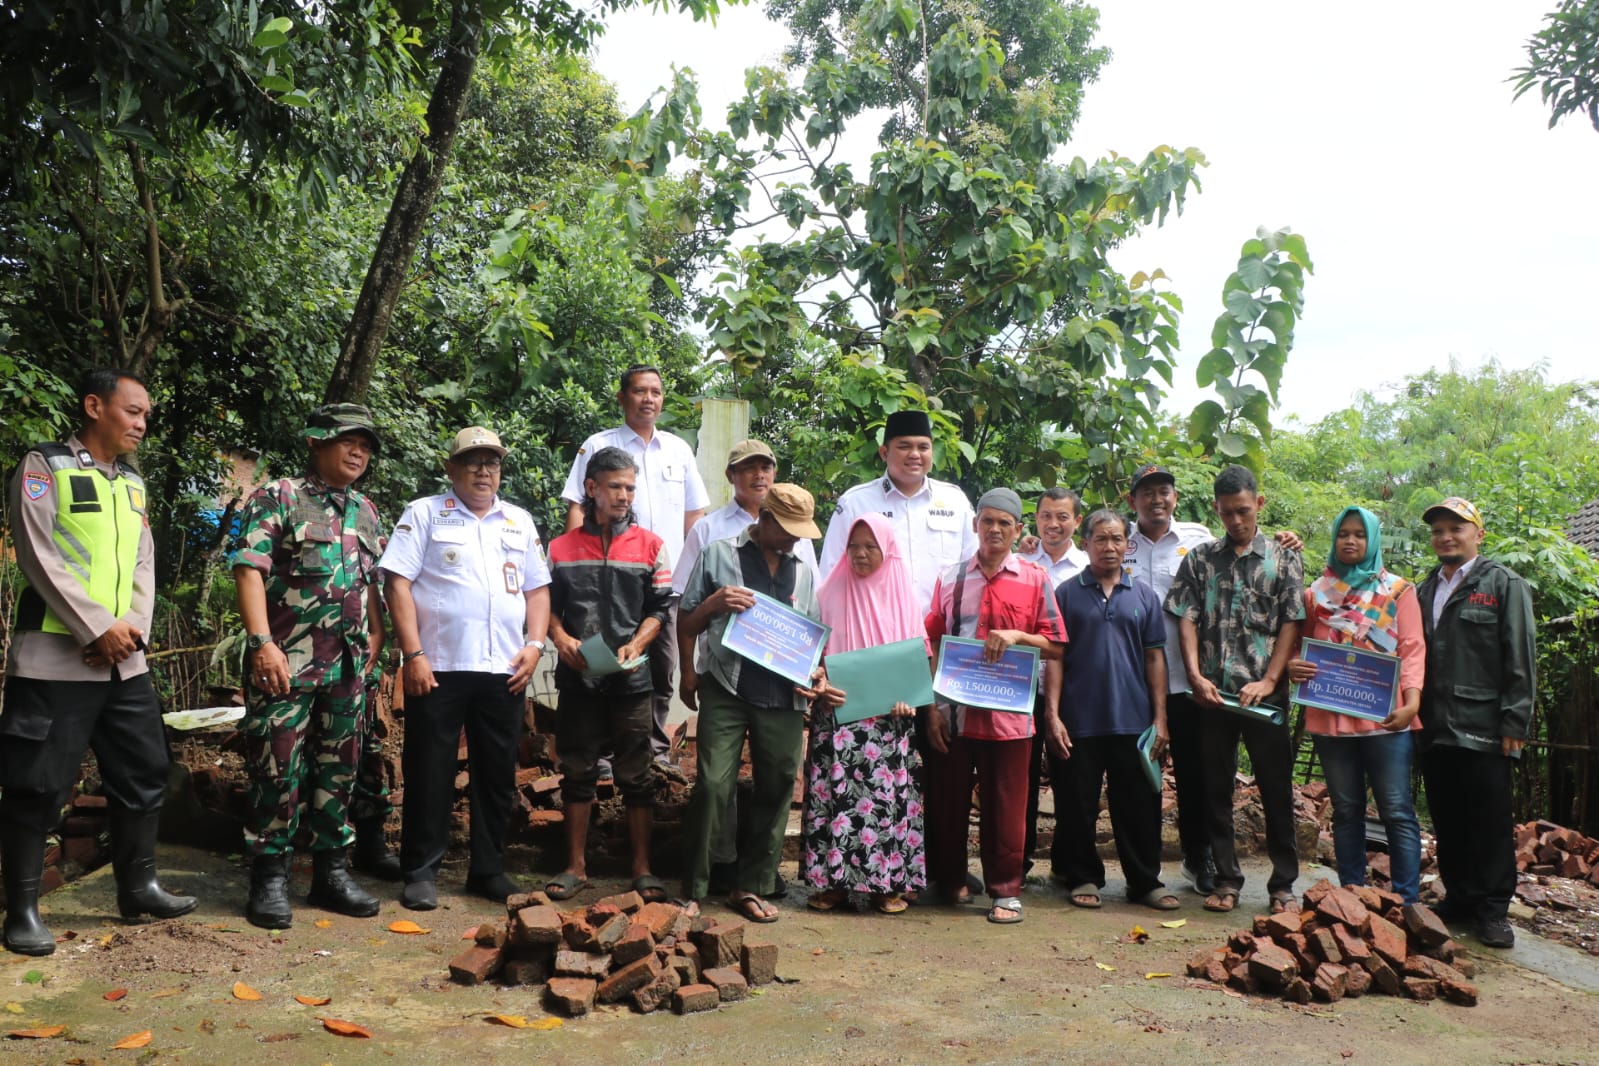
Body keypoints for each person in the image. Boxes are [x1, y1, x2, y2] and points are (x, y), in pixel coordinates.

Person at [1, 369, 195, 956]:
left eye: (146, 415)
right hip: (53, 663)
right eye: (133, 411)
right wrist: (95, 627)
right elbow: (38, 554)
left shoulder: (132, 483)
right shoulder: (45, 467)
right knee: (36, 786)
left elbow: (143, 562)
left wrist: (128, 632)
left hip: (122, 665)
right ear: (94, 406)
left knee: (143, 773)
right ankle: (22, 911)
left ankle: (139, 888)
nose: (142, 424)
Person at [379, 427, 552, 910]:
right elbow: (397, 583)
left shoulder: (518, 521)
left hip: (505, 668)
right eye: (473, 461)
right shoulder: (425, 513)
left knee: (496, 775)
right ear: (451, 468)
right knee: (429, 770)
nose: (483, 471)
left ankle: (488, 870)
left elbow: (538, 590)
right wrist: (413, 654)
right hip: (439, 667)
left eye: (492, 462)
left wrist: (535, 644)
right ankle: (420, 871)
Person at [230, 403, 388, 929]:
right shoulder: (279, 497)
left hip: (347, 667)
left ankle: (331, 874)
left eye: (365, 445)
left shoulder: (366, 510)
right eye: (348, 441)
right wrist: (261, 642)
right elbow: (249, 570)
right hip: (285, 662)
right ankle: (270, 877)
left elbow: (370, 582)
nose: (358, 452)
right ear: (317, 442)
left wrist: (377, 633)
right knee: (276, 769)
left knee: (338, 769)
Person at [1124, 463, 1302, 897]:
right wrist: (1196, 675)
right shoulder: (1201, 557)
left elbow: (1291, 621)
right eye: (1227, 512)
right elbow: (1185, 617)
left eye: (1243, 510)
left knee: (1276, 790)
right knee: (1214, 790)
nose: (1236, 521)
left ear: (1259, 504)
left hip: (1264, 698)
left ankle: (1283, 885)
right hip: (1213, 696)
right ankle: (1226, 879)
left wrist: (1270, 680)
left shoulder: (1284, 558)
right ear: (1216, 510)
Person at [675, 439, 817, 896]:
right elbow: (686, 620)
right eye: (788, 529)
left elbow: (812, 634)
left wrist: (815, 674)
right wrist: (713, 607)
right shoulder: (718, 552)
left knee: (778, 785)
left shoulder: (803, 569)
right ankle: (697, 886)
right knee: (713, 786)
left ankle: (754, 884)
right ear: (766, 519)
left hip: (783, 694)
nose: (795, 539)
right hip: (726, 684)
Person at [923, 488, 1067, 925]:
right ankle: (950, 880)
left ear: (1018, 530)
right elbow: (932, 640)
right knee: (947, 800)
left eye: (1005, 523)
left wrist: (1019, 636)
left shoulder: (1035, 578)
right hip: (954, 713)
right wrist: (932, 708)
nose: (995, 529)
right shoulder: (951, 578)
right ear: (975, 525)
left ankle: (1005, 890)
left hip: (1010, 716)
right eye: (987, 521)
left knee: (1007, 804)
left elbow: (1057, 645)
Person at [560, 365, 709, 764]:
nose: (649, 399)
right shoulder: (598, 445)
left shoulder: (678, 449)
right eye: (640, 391)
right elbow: (576, 506)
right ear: (622, 397)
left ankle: (653, 752)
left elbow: (695, 516)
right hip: (607, 581)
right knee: (604, 662)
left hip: (665, 583)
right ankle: (603, 756)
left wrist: (693, 575)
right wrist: (579, 570)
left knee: (660, 667)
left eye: (656, 392)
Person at [544, 446, 674, 902]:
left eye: (630, 488)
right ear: (591, 487)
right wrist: (561, 639)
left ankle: (642, 868)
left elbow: (660, 608)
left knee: (637, 772)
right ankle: (574, 866)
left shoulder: (652, 545)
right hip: (578, 676)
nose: (624, 496)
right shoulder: (559, 549)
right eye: (615, 486)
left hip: (632, 679)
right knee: (577, 768)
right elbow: (545, 607)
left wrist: (638, 643)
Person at [1285, 507, 1425, 905]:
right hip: (1331, 718)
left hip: (1387, 717)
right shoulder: (1315, 594)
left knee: (1396, 809)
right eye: (1343, 533)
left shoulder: (1398, 591)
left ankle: (1406, 902)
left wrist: (1412, 702)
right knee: (1346, 809)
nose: (1350, 541)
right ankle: (1351, 896)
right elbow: (1297, 645)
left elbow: (1412, 648)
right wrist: (1293, 665)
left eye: (1360, 535)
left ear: (1373, 540)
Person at [1414, 497, 1534, 948]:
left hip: (1484, 725)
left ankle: (1493, 909)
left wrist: (1515, 722)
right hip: (1435, 725)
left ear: (1478, 534)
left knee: (1489, 820)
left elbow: (1520, 655)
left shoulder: (1503, 584)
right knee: (1448, 817)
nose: (1445, 537)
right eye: (1438, 530)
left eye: (1456, 528)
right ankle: (1461, 898)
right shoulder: (1424, 590)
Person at [1053, 509, 1177, 911]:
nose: (1109, 547)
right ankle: (1083, 876)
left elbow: (1155, 658)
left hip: (1133, 720)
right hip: (1079, 719)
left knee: (1139, 805)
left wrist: (1160, 718)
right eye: (1101, 539)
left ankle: (1144, 881)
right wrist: (1052, 714)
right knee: (1077, 804)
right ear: (1085, 543)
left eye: (1117, 539)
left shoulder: (1143, 595)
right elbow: (1054, 658)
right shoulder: (1066, 594)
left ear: (1128, 544)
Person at [803, 514, 927, 915]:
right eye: (853, 545)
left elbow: (916, 658)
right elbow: (811, 652)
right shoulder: (828, 592)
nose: (860, 553)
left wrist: (909, 697)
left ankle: (884, 886)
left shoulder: (902, 594)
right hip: (838, 714)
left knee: (882, 801)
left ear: (886, 550)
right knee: (835, 799)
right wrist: (820, 678)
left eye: (870, 546)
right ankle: (833, 885)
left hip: (887, 723)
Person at [819, 410, 976, 612]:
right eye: (904, 446)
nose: (915, 454)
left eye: (923, 447)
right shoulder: (855, 503)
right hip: (876, 626)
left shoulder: (955, 501)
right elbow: (830, 573)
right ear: (884, 453)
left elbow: (975, 565)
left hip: (942, 625)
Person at [1018, 486, 1087, 878]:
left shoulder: (1087, 566)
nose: (1053, 524)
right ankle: (1019, 861)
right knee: (1021, 781)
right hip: (1022, 688)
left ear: (1077, 520)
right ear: (1036, 519)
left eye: (1062, 516)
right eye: (1046, 515)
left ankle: (1067, 865)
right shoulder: (1021, 562)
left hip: (1072, 690)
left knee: (1071, 780)